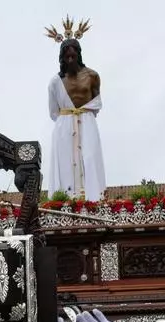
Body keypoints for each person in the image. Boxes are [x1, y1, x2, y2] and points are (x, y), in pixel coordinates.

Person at [47, 35, 106, 201]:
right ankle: (64, 200)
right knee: (65, 163)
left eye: (73, 56)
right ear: (62, 58)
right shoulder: (55, 82)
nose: (70, 60)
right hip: (64, 126)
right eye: (67, 57)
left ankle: (94, 199)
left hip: (87, 123)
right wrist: (67, 124)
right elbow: (53, 111)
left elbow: (96, 102)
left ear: (79, 55)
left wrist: (81, 116)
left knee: (90, 157)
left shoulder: (93, 76)